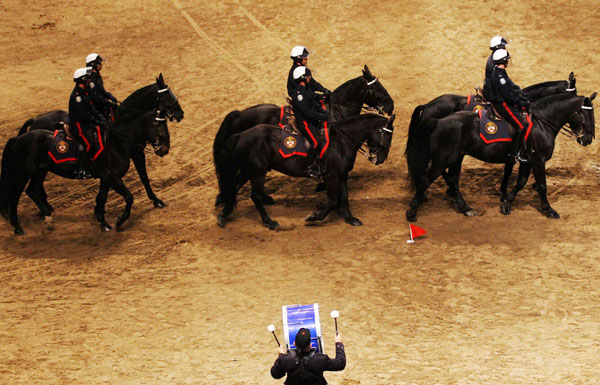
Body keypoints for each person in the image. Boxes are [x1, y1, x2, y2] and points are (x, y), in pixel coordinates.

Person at [488, 49, 532, 162]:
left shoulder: (498, 72)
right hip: (502, 104)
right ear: (504, 60)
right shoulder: (500, 76)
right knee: (520, 126)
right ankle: (514, 154)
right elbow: (508, 95)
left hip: (503, 102)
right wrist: (521, 103)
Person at [291, 66, 330, 176]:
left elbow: (313, 97)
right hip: (304, 122)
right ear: (302, 78)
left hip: (309, 119)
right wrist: (322, 116)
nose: (309, 78)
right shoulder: (299, 94)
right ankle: (310, 167)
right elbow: (307, 113)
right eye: (308, 76)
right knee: (316, 142)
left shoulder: (306, 89)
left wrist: (324, 95)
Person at [271, 328, 346, 385]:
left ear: (294, 343)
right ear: (310, 345)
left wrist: (280, 356)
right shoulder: (320, 359)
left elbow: (275, 374)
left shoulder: (286, 360)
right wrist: (339, 344)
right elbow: (340, 363)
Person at [69, 67, 107, 178]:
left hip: (85, 124)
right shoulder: (77, 96)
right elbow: (83, 115)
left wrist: (101, 118)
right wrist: (97, 122)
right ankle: (80, 170)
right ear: (83, 80)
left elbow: (91, 109)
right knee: (88, 145)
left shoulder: (84, 93)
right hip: (78, 126)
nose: (89, 81)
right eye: (87, 79)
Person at [86, 53, 118, 121]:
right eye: (99, 63)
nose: (101, 64)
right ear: (93, 65)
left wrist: (111, 97)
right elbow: (95, 97)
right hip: (94, 107)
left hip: (99, 102)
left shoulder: (97, 76)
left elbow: (102, 91)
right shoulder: (91, 79)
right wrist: (108, 102)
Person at [482, 36, 508, 101]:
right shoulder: (495, 62)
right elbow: (498, 82)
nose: (505, 48)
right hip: (492, 92)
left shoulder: (495, 58)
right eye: (503, 47)